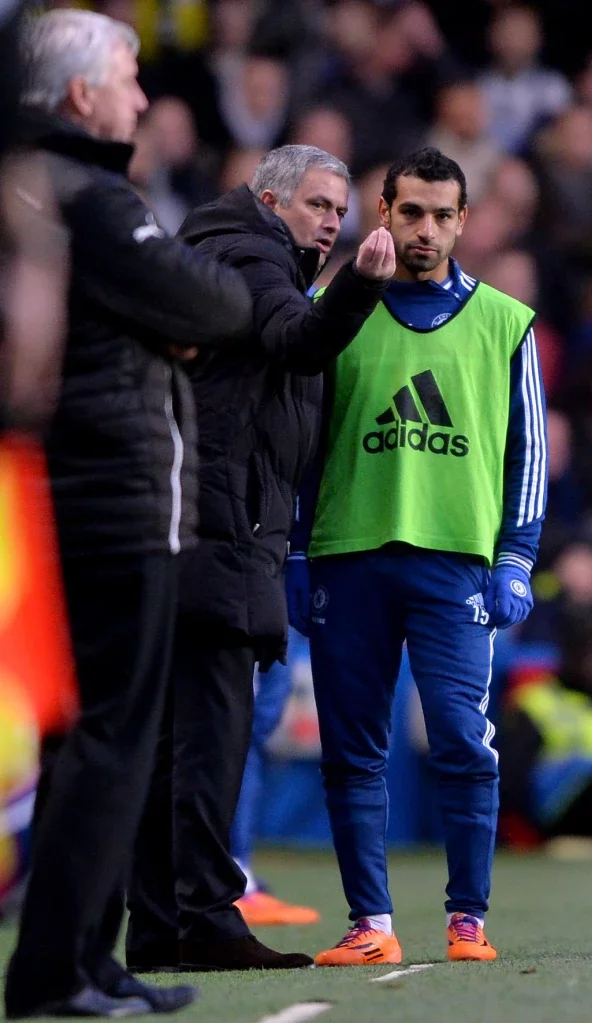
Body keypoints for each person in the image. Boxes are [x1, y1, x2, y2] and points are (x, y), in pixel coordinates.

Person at [4, 9, 252, 1019]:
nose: (145, 99)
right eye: (131, 76)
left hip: (70, 497)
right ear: (79, 95)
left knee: (93, 743)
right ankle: (59, 970)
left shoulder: (37, 190)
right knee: (113, 739)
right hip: (118, 499)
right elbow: (220, 307)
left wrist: (165, 316)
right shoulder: (93, 200)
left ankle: (82, 962)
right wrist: (170, 323)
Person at [126, 144, 395, 972]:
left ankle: (160, 920)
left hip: (198, 526)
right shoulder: (251, 255)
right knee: (211, 736)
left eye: (338, 213)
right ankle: (206, 916)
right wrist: (360, 282)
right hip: (224, 533)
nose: (330, 223)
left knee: (175, 736)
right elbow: (297, 339)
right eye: (318, 206)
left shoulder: (221, 249)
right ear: (271, 199)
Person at [287, 147, 548, 965]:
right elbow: (299, 437)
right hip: (347, 555)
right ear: (383, 213)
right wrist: (295, 551)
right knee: (351, 748)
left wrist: (516, 556)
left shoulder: (506, 321)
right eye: (410, 213)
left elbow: (528, 453)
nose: (425, 230)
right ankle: (373, 924)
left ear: (463, 221)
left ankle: (466, 917)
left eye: (442, 215)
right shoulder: (332, 307)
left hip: (454, 565)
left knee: (463, 741)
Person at [499, 610, 592, 845]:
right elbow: (511, 782)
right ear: (567, 653)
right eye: (586, 651)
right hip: (563, 807)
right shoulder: (535, 702)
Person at [232, 632, 321, 927]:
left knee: (247, 739)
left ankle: (236, 873)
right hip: (248, 601)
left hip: (272, 599)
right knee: (238, 738)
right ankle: (232, 876)